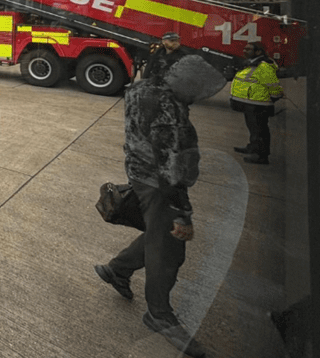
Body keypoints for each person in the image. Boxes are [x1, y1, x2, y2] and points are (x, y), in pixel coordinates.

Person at [94, 56, 215, 358]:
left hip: (138, 172)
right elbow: (170, 162)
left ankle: (117, 269)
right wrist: (183, 210)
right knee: (170, 246)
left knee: (156, 232)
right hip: (158, 183)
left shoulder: (141, 90)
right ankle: (159, 313)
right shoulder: (166, 107)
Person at [230, 42, 284, 165]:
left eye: (248, 49)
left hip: (259, 103)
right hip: (251, 102)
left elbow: (272, 84)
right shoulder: (252, 62)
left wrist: (275, 96)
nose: (244, 50)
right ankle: (253, 148)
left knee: (259, 130)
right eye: (244, 48)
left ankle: (261, 156)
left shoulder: (263, 65)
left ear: (259, 52)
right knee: (253, 128)